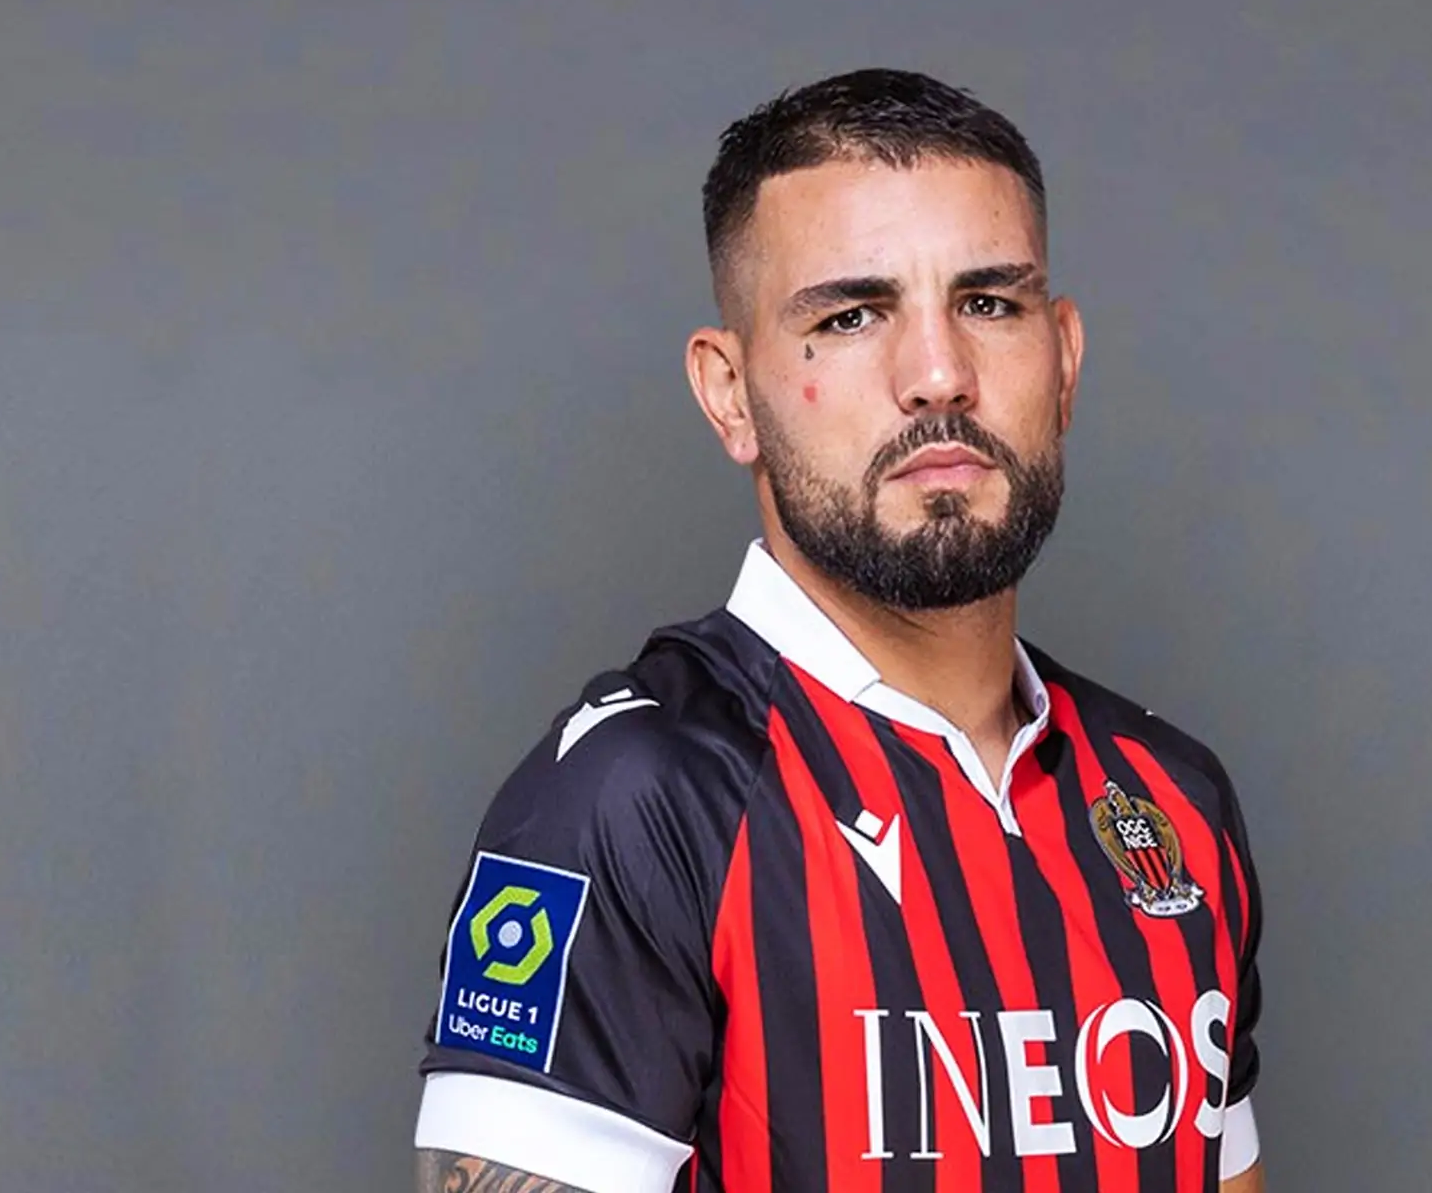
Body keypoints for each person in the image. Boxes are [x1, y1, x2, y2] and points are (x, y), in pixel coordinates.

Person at [413, 67, 1266, 1193]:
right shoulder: (636, 801)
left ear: (1064, 359)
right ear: (729, 393)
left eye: (989, 303)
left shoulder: (1170, 800)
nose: (939, 375)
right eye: (851, 316)